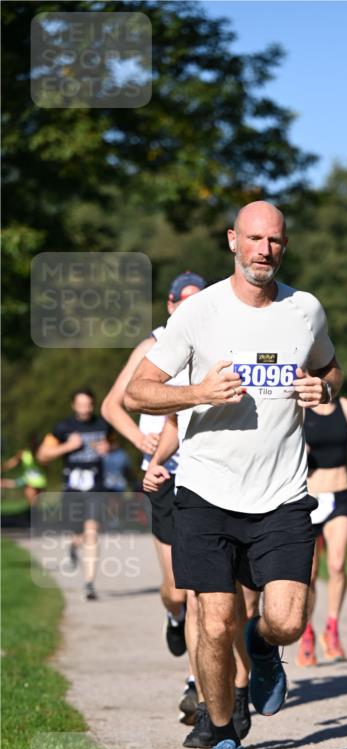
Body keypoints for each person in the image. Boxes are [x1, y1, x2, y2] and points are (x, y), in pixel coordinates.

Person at [124, 200, 343, 749]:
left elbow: (332, 368)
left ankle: (264, 646)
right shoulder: (199, 313)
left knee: (287, 621)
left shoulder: (305, 310)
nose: (263, 250)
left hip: (281, 494)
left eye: (273, 240)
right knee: (214, 622)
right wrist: (198, 390)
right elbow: (138, 393)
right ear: (232, 241)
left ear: (284, 246)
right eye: (253, 238)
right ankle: (224, 739)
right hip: (207, 493)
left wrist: (321, 387)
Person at [101, 271, 207, 671]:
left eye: (198, 302)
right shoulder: (153, 344)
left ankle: (197, 685)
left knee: (202, 588)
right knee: (179, 592)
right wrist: (138, 440)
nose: (189, 309)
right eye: (184, 301)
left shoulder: (209, 343)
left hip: (199, 472)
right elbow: (113, 405)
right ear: (170, 304)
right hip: (159, 474)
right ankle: (173, 616)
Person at [142, 413, 256, 745]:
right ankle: (206, 707)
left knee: (241, 609)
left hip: (247, 488)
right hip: (191, 492)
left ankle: (242, 680)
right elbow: (172, 419)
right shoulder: (172, 363)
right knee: (198, 600)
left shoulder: (252, 365)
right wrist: (154, 459)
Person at [295, 396, 347, 667]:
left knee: (337, 565)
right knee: (310, 573)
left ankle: (332, 629)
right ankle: (307, 634)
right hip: (308, 496)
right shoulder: (298, 409)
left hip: (340, 494)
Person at [36, 389, 110, 601]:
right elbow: (43, 455)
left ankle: (89, 583)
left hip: (96, 485)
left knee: (92, 530)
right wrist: (68, 446)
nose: (85, 408)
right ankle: (72, 546)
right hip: (73, 488)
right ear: (73, 405)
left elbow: (112, 444)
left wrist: (108, 447)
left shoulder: (102, 424)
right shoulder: (63, 428)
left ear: (93, 404)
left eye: (88, 404)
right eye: (81, 404)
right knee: (79, 533)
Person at [1, 437, 47, 505]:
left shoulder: (41, 453)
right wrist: (3, 468)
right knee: (33, 503)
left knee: (40, 504)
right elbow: (12, 463)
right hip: (29, 482)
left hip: (41, 482)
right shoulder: (23, 453)